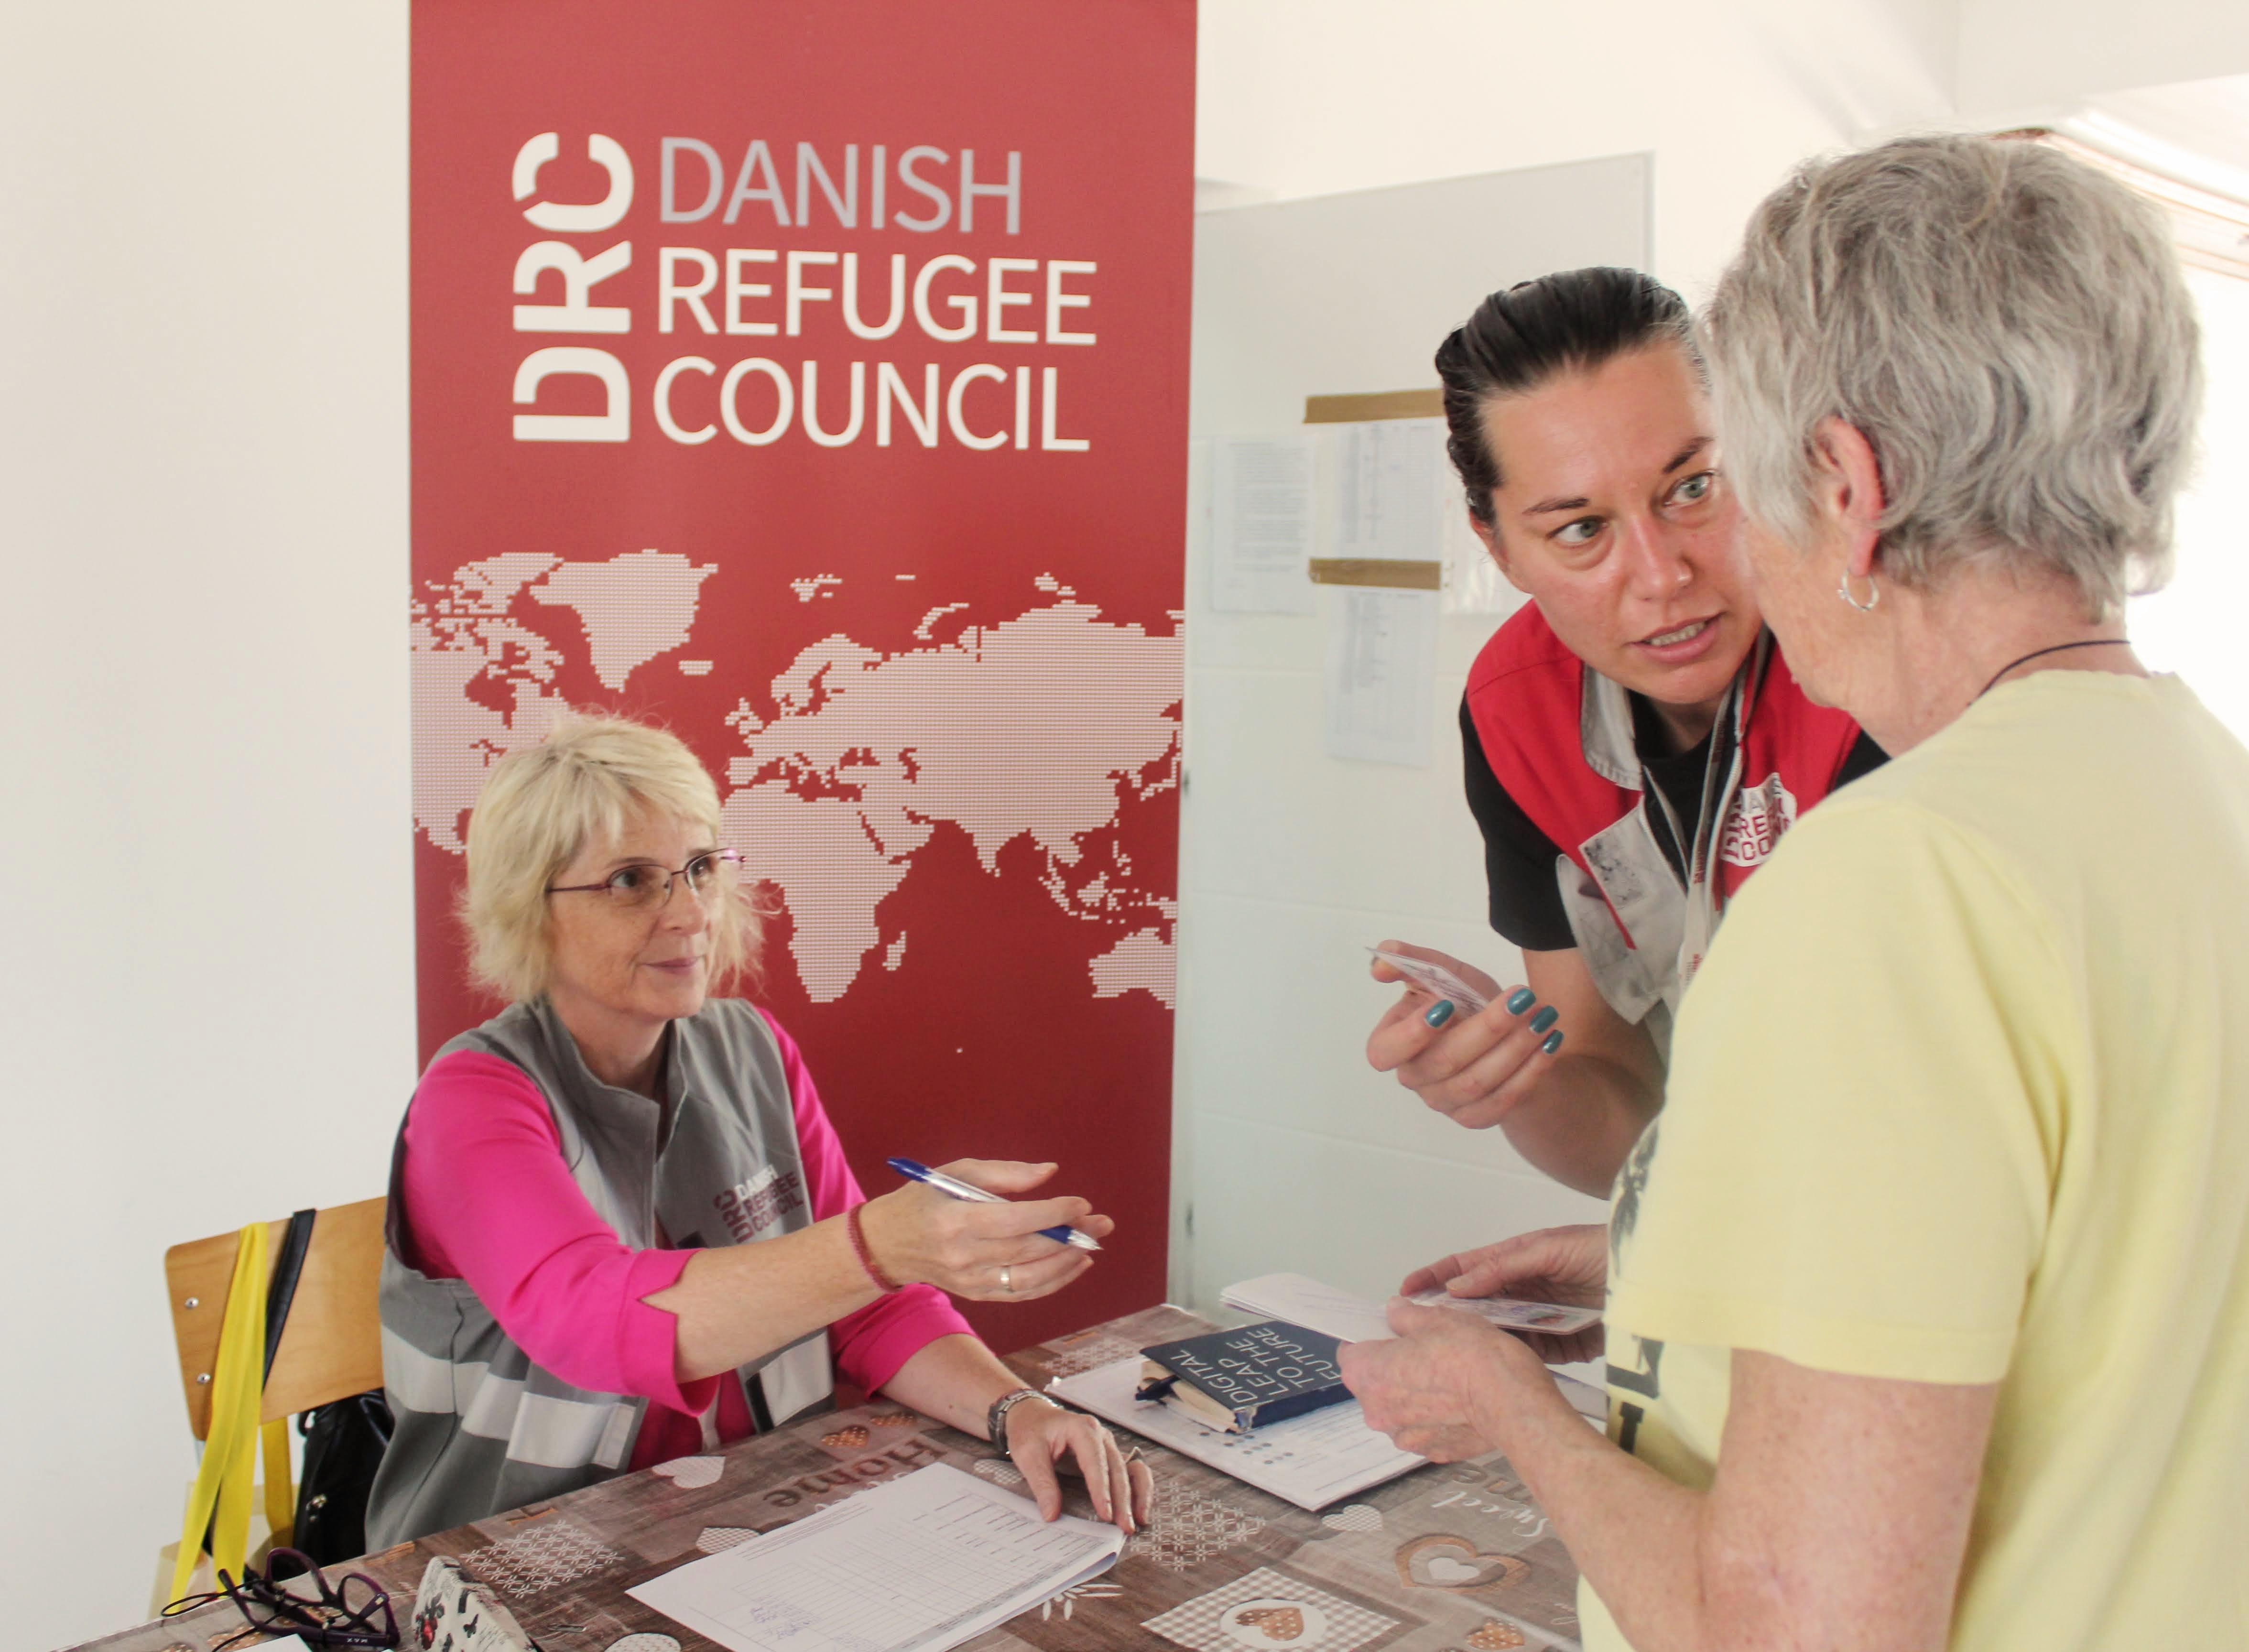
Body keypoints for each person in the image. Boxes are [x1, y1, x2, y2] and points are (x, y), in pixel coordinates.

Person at [1342, 134, 2249, 1650]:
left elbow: (1800, 1629)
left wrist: (1512, 1405)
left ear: (1838, 481)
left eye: (1720, 479)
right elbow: (2098, 1266)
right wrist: (1671, 1255)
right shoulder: (2199, 790)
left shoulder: (1889, 874)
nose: (1682, 567)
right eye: (1579, 528)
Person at [365, 717, 1152, 1546]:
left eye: (700, 868)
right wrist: (880, 1244)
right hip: (504, 1560)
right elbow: (598, 1322)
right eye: (633, 881)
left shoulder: (753, 1048)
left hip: (738, 1531)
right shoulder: (472, 1098)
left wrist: (1014, 1410)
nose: (691, 914)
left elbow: (867, 1313)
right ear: (529, 910)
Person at [1365, 268, 1884, 1196]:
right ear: (1499, 549)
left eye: (1693, 488)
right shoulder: (1514, 713)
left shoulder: (1883, 667)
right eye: (1580, 531)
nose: (1660, 575)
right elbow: (1626, 1121)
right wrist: (1514, 1083)